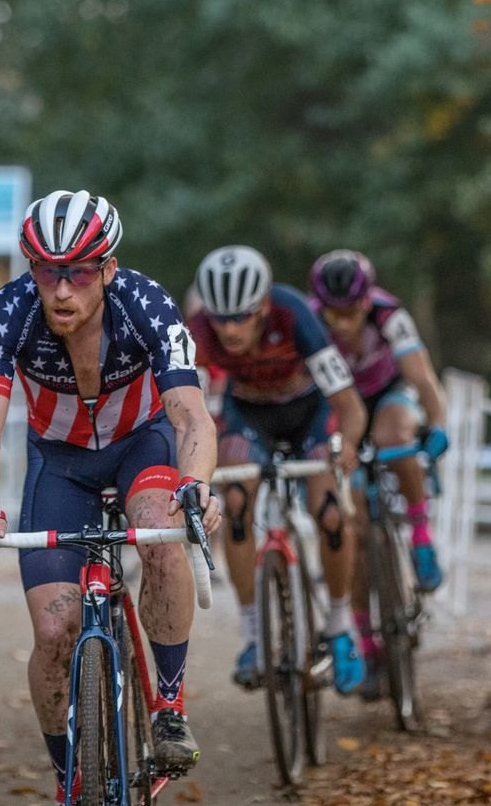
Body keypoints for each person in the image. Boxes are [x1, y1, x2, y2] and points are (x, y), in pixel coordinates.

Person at [0, 190, 223, 803]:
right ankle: (67, 776)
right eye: (47, 271)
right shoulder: (8, 311)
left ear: (107, 268)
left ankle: (170, 706)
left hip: (141, 445)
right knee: (54, 631)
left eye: (77, 271)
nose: (61, 290)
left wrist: (196, 483)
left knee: (160, 536)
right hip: (60, 461)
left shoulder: (147, 305)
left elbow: (189, 417)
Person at [187, 245, 368, 695]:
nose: (229, 329)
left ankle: (341, 625)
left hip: (310, 412)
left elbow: (349, 404)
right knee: (234, 499)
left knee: (329, 512)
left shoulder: (294, 315)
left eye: (242, 317)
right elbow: (184, 409)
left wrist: (345, 446)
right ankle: (253, 636)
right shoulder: (197, 332)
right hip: (249, 418)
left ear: (264, 306)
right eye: (220, 318)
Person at [306, 250, 449, 697]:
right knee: (355, 533)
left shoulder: (390, 315)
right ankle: (367, 640)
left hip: (388, 394)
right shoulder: (309, 323)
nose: (343, 324)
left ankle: (422, 537)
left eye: (351, 313)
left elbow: (423, 380)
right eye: (334, 314)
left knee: (396, 440)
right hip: (341, 407)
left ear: (367, 302)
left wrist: (439, 425)